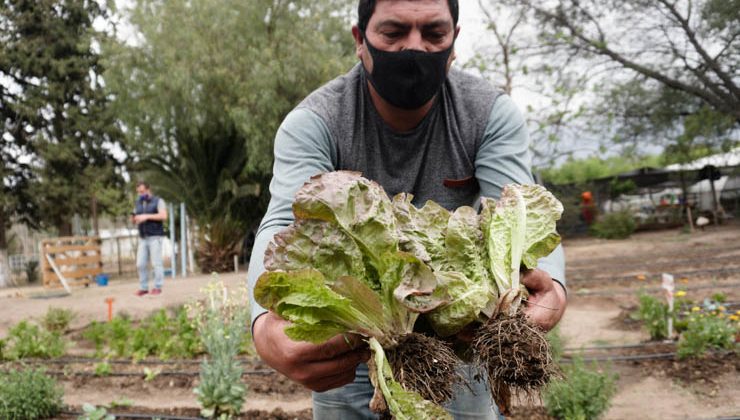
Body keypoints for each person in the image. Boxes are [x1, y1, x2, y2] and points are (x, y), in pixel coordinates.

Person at [246, 1, 567, 418]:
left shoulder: (488, 113)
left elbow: (517, 205)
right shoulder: (316, 121)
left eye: (433, 34)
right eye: (393, 33)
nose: (414, 49)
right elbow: (283, 222)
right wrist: (263, 325)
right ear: (360, 41)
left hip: (458, 343)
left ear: (454, 42)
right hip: (357, 341)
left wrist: (553, 287)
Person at [132, 181, 168, 296]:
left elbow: (163, 216)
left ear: (148, 189)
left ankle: (158, 286)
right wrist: (135, 219)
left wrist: (146, 216)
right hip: (143, 237)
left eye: (142, 191)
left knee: (156, 263)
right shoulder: (138, 202)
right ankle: (144, 288)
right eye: (138, 192)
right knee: (140, 264)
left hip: (155, 236)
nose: (140, 194)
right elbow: (134, 216)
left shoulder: (158, 201)